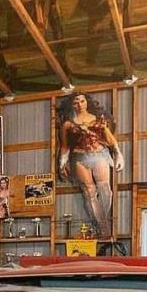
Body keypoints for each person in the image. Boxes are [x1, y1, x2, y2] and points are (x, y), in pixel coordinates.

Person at [57, 92, 124, 236]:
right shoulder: (67, 124)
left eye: (82, 101)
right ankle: (102, 228)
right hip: (80, 157)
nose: (79, 105)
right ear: (72, 105)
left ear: (87, 102)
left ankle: (102, 224)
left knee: (105, 189)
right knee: (89, 192)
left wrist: (118, 154)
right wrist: (62, 164)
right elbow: (64, 146)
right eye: (76, 102)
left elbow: (109, 138)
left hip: (99, 154)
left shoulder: (98, 119)